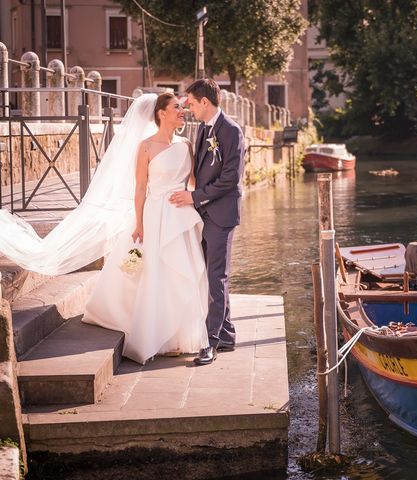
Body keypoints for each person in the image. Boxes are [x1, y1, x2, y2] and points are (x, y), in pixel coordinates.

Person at [0, 93, 209, 364]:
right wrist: (140, 224)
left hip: (180, 217)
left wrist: (194, 199)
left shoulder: (186, 145)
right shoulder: (145, 147)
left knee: (184, 273)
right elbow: (140, 189)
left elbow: (193, 181)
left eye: (183, 107)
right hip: (155, 216)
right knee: (157, 273)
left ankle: (181, 333)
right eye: (176, 108)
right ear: (161, 114)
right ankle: (157, 334)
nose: (182, 111)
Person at [169, 79, 245, 365]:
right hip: (203, 213)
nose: (188, 108)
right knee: (212, 275)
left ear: (205, 102)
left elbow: (230, 179)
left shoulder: (231, 131)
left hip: (222, 214)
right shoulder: (202, 129)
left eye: (190, 103)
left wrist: (194, 197)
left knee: (217, 276)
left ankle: (210, 342)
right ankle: (226, 334)